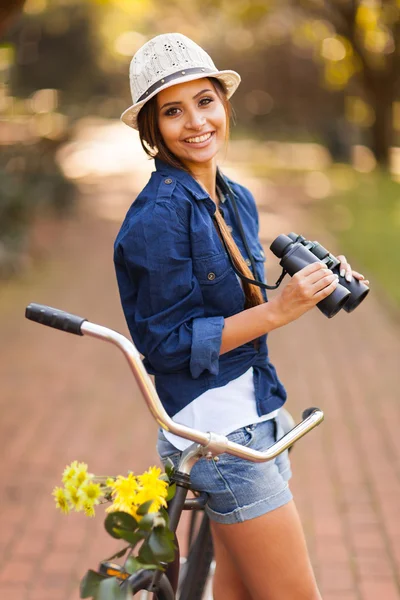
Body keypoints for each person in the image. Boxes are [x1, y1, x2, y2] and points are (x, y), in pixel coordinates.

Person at [114, 33, 369, 600]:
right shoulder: (155, 220)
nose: (195, 122)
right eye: (172, 111)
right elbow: (170, 346)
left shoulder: (236, 198)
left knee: (233, 592)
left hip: (257, 412)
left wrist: (317, 279)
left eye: (205, 101)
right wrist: (281, 310)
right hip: (218, 436)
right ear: (152, 130)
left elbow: (246, 299)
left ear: (224, 106)